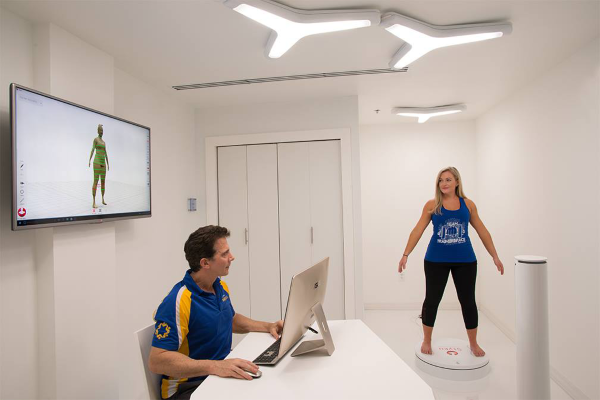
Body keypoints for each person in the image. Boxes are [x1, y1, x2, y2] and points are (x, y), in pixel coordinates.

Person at [149, 225, 283, 399]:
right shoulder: (179, 300)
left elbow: (230, 319)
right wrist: (216, 366)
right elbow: (157, 361)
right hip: (187, 388)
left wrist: (268, 326)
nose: (232, 257)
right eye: (224, 254)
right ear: (205, 263)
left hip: (216, 375)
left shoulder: (219, 286)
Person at [398, 167, 503, 357]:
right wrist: (406, 254)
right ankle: (427, 340)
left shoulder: (468, 205)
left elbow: (482, 231)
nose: (444, 183)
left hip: (465, 261)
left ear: (457, 182)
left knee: (468, 302)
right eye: (440, 180)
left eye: (448, 179)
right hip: (435, 260)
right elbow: (417, 230)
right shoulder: (432, 205)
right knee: (432, 300)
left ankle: (473, 343)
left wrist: (494, 256)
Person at [88, 124, 109, 208]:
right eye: (100, 130)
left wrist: (108, 163)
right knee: (96, 181)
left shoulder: (104, 142)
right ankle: (93, 202)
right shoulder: (95, 140)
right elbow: (93, 149)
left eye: (102, 131)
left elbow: (105, 153)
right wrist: (89, 159)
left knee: (103, 182)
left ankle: (103, 199)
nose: (101, 132)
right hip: (97, 162)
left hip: (103, 163)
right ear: (97, 131)